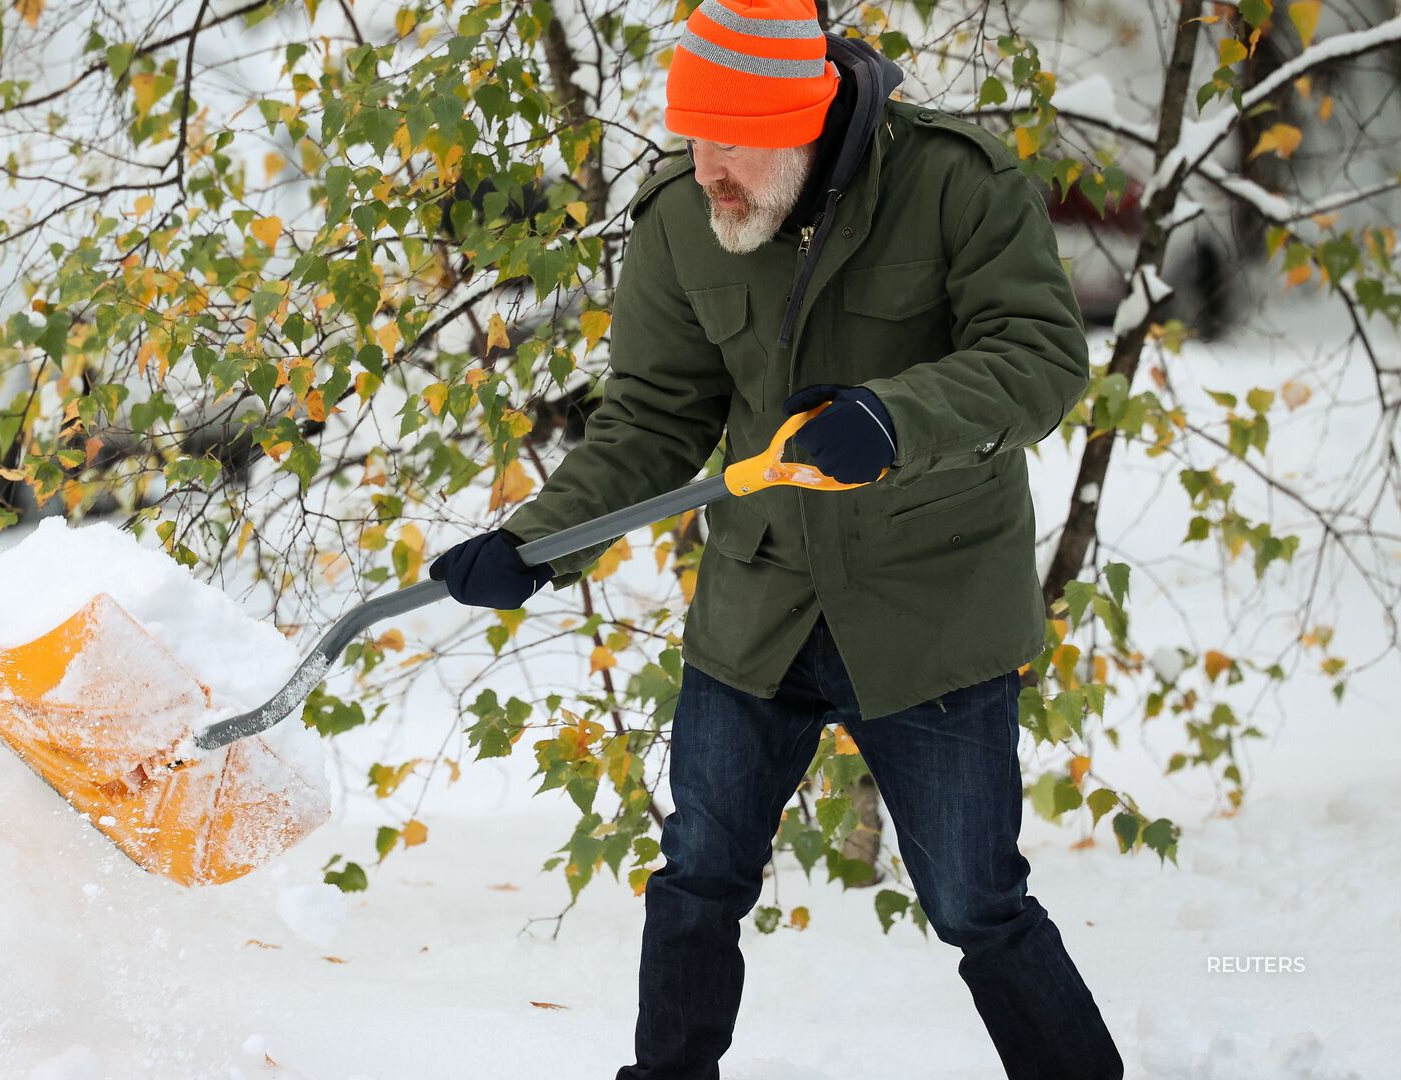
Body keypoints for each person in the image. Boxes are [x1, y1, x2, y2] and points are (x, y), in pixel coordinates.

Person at [425, 1, 1125, 1077]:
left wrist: (898, 419)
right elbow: (656, 417)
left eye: (735, 142)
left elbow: (1039, 359)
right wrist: (536, 540)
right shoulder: (680, 215)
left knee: (978, 902)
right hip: (761, 604)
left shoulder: (953, 185)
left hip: (927, 609)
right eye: (695, 138)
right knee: (698, 876)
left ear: (808, 121)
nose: (711, 170)